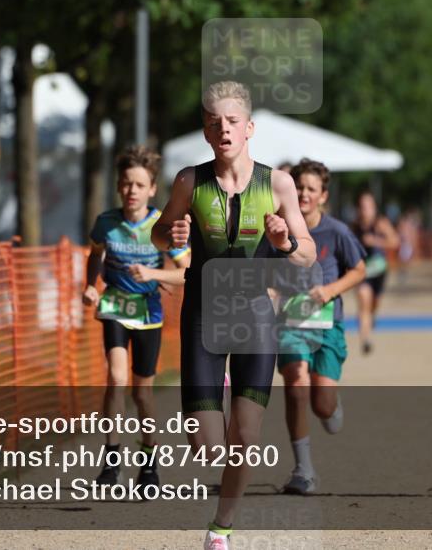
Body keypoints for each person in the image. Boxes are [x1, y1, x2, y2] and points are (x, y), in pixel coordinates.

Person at [152, 80, 315, 550]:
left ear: (248, 128)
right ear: (206, 132)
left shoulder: (277, 183)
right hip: (204, 317)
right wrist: (173, 233)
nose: (222, 129)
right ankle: (216, 391)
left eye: (230, 121)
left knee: (245, 436)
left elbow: (306, 254)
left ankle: (221, 528)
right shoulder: (189, 181)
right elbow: (161, 236)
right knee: (206, 447)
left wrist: (284, 241)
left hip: (254, 319)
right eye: (213, 122)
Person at [83, 145, 190, 489]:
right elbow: (95, 254)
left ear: (152, 190)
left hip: (148, 313)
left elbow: (187, 272)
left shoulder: (162, 226)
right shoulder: (106, 223)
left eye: (139, 185)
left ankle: (149, 464)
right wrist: (89, 284)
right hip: (114, 305)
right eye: (127, 184)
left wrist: (155, 275)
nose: (132, 191)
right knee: (116, 379)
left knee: (142, 394)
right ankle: (111, 463)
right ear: (118, 186)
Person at [275, 159, 365, 495]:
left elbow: (358, 270)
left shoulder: (336, 232)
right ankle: (303, 470)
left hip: (327, 326)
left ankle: (330, 405)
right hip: (290, 325)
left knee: (322, 404)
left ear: (323, 195)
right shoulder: (278, 230)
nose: (304, 194)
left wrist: (329, 291)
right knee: (296, 384)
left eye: (312, 189)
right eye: (299, 187)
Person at [350, 190, 399, 355]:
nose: (365, 210)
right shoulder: (354, 226)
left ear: (374, 208)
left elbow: (395, 241)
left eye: (368, 206)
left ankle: (371, 317)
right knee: (364, 300)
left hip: (379, 271)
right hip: (362, 272)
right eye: (362, 206)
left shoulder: (381, 223)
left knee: (374, 303)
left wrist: (376, 241)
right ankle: (366, 339)